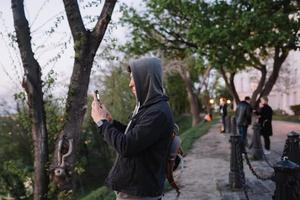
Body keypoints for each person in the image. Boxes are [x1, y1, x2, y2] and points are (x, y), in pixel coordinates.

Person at [91, 57, 174, 200]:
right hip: (135, 189)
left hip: (138, 192)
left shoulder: (157, 112)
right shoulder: (150, 108)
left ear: (147, 80)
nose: (130, 84)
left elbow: (126, 146)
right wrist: (111, 123)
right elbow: (135, 138)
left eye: (134, 78)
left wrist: (101, 123)